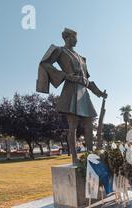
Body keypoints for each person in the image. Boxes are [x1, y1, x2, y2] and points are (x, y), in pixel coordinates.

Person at [37, 28, 107, 163]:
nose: (77, 40)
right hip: (71, 91)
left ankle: (90, 155)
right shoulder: (60, 51)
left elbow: (86, 80)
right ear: (67, 37)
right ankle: (74, 157)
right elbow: (44, 63)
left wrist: (99, 93)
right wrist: (64, 76)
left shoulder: (81, 58)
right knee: (72, 126)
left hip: (83, 93)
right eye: (74, 37)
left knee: (89, 125)